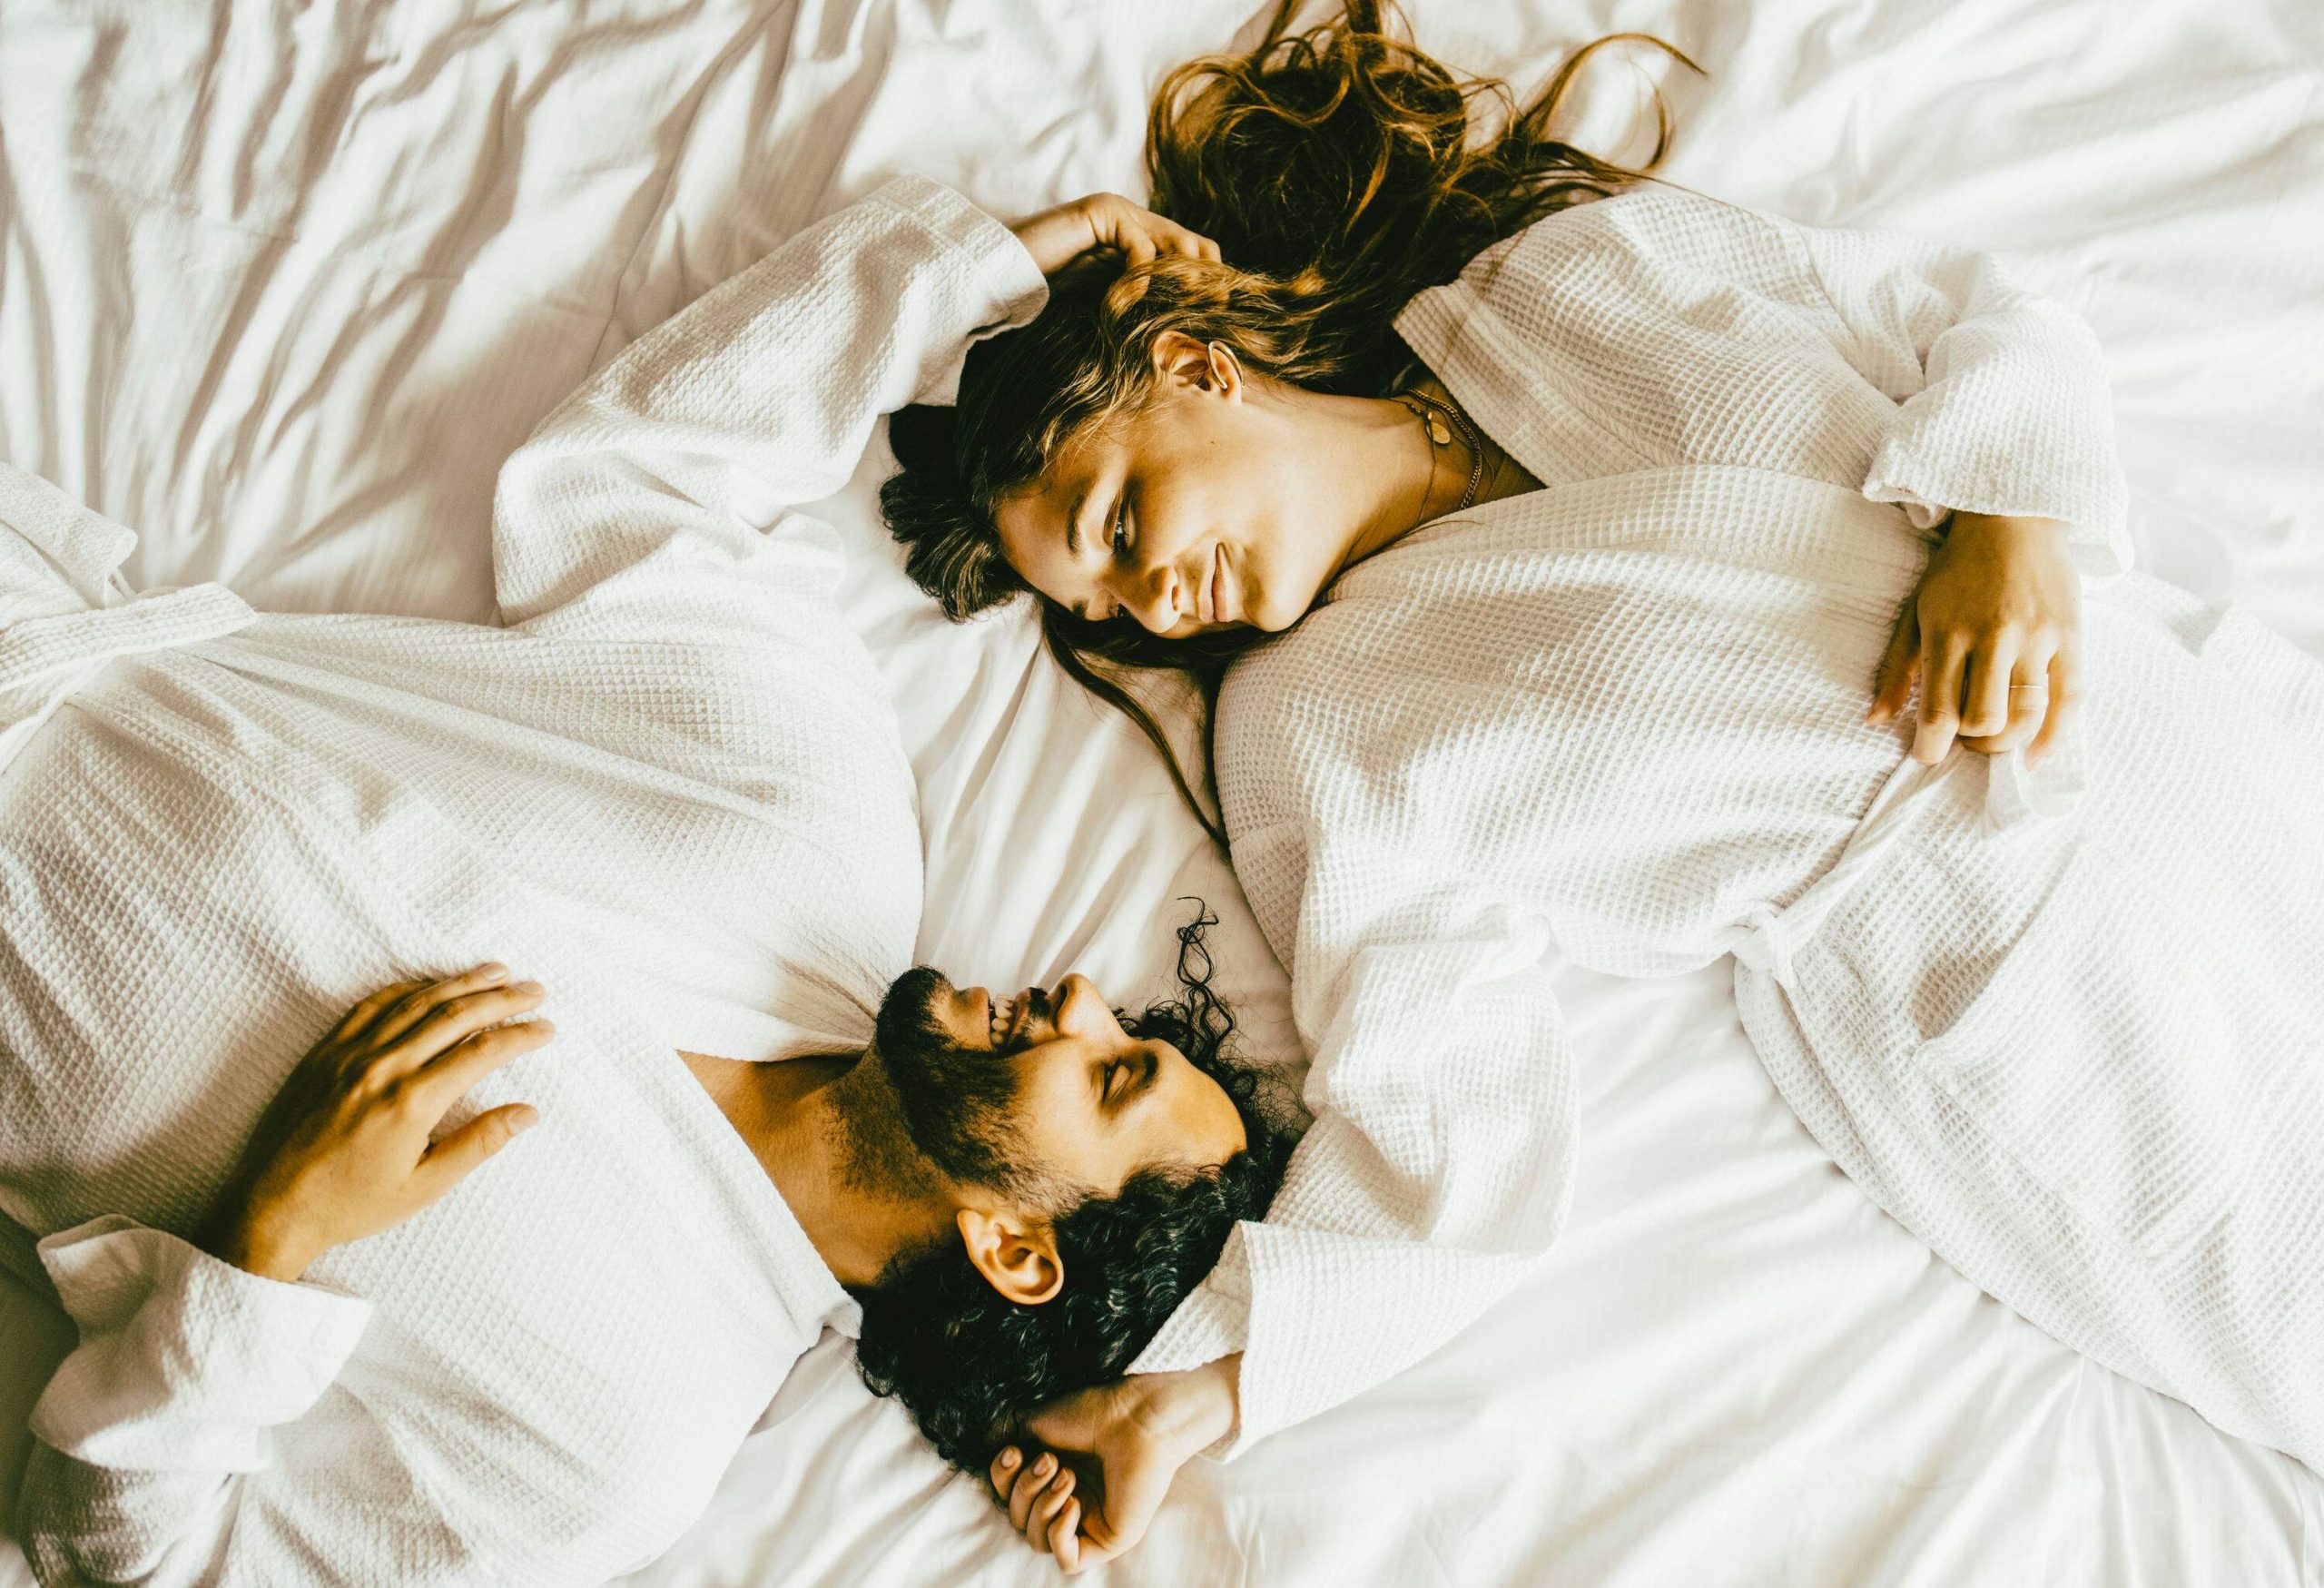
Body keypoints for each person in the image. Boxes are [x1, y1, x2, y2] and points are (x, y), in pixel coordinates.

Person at [883, 0, 2324, 1568]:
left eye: (1112, 525)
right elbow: (1446, 1115)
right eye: (1101, 610)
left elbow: (1964, 310)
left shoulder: (1568, 288)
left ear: (1185, 362)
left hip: (2187, 749)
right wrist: (1195, 1399)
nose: (1150, 602)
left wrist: (2006, 516)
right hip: (2020, 1000)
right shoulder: (1306, 729)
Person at [0, 179, 1286, 1583]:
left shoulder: (621, 1452)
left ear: (1014, 1250)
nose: (1086, 996)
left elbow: (126, 1562)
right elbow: (655, 467)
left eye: (1108, 1077)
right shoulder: (824, 829)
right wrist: (974, 268)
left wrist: (270, 1242)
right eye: (1127, 1037)